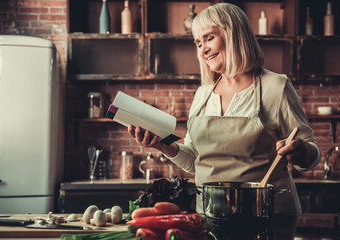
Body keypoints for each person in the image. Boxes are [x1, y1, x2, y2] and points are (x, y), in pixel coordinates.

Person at [128, 3, 320, 214]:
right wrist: (161, 145)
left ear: (235, 35)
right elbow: (193, 161)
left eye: (209, 38)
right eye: (198, 43)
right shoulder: (203, 94)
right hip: (212, 213)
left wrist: (301, 151)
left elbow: (310, 154)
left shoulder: (275, 87)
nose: (203, 50)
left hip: (265, 214)